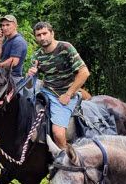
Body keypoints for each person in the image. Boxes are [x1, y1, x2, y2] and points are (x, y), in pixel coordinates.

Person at [25, 21, 90, 149]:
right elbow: (29, 86)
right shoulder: (37, 56)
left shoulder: (65, 48)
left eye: (45, 33)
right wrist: (30, 76)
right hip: (46, 91)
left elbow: (84, 73)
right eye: (38, 35)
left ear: (52, 33)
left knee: (58, 133)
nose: (42, 37)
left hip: (65, 94)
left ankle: (68, 161)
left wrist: (68, 94)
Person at [0, 14, 28, 79]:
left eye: (8, 25)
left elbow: (13, 62)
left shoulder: (18, 41)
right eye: (3, 25)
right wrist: (0, 40)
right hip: (3, 76)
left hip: (13, 78)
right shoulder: (7, 40)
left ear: (15, 26)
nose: (4, 28)